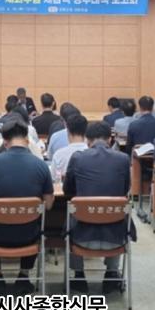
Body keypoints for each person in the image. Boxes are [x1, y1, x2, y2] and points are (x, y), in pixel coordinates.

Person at [0, 118, 54, 295]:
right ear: (27, 139)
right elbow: (48, 205)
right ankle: (24, 276)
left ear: (5, 142)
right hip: (29, 236)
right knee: (36, 221)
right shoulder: (41, 166)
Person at [63, 121, 131, 294]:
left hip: (80, 236)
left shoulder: (77, 158)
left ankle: (78, 275)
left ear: (87, 140)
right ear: (110, 139)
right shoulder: (123, 159)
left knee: (72, 212)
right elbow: (124, 190)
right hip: (116, 238)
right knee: (116, 209)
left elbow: (67, 191)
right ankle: (112, 274)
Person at [50, 114, 88, 182]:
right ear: (86, 131)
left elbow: (54, 178)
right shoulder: (92, 152)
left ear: (67, 130)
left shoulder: (58, 154)